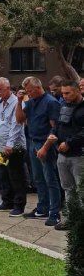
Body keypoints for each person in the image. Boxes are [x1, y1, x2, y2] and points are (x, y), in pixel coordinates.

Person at [16, 76, 62, 226]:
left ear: (38, 87)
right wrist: (19, 101)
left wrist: (45, 147)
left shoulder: (50, 102)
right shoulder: (31, 102)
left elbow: (55, 128)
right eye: (27, 91)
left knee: (50, 178)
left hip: (45, 143)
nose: (28, 93)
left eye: (30, 91)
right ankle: (42, 207)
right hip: (33, 141)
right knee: (38, 178)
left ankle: (54, 212)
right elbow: (20, 119)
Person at [46, 80, 84, 230]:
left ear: (78, 90)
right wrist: (52, 135)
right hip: (62, 155)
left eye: (68, 93)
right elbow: (58, 125)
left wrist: (69, 142)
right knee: (68, 189)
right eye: (63, 93)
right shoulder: (64, 105)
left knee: (81, 190)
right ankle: (70, 219)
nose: (64, 96)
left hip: (79, 156)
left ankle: (81, 223)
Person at [0, 78, 27, 217]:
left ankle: (19, 205)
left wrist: (10, 144)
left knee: (16, 175)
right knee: (3, 174)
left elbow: (17, 125)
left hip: (14, 146)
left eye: (0, 89)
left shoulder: (17, 103)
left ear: (8, 88)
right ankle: (7, 200)